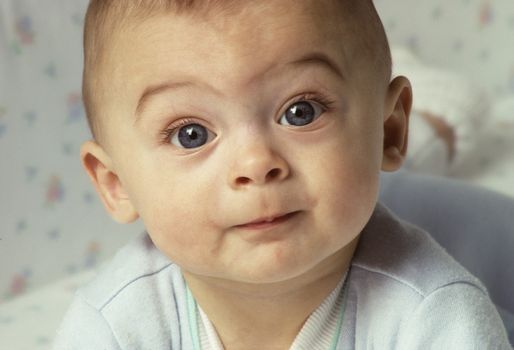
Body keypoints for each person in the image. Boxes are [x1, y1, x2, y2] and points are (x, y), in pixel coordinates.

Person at [53, 0, 510, 348]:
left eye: (300, 111)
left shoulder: (435, 316)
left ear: (389, 129)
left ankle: (443, 121)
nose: (255, 164)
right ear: (115, 185)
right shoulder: (113, 324)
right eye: (190, 134)